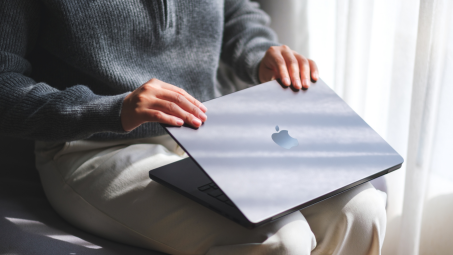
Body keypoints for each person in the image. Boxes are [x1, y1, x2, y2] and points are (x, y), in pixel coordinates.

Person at [0, 0, 386, 254]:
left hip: (208, 128)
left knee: (361, 210)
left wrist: (258, 56)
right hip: (94, 146)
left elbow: (237, 12)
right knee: (281, 242)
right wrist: (112, 108)